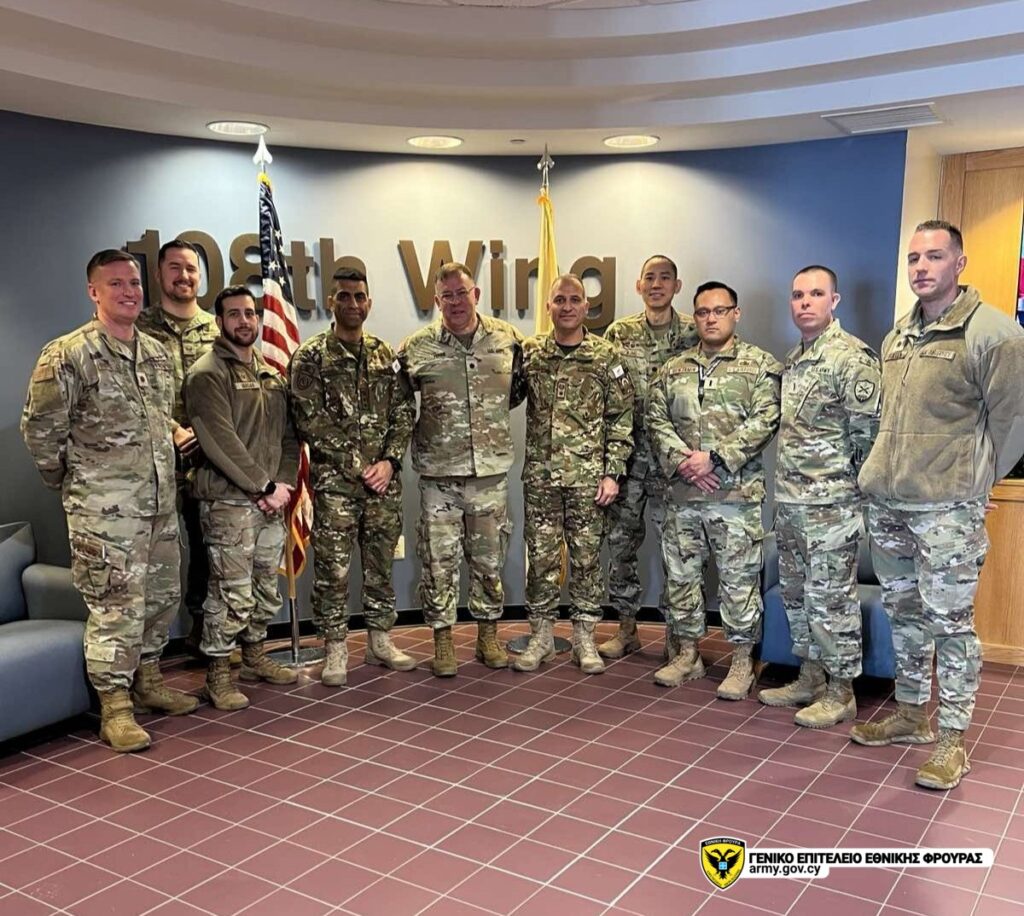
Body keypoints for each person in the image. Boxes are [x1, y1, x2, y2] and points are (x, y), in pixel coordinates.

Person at [852, 220, 1024, 790]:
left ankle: (952, 739)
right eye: (914, 258)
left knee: (949, 625)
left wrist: (980, 482)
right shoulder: (898, 337)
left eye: (934, 256)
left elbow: (1014, 422)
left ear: (959, 263)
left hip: (947, 510)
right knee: (904, 615)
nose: (921, 267)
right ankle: (910, 715)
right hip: (890, 504)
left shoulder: (993, 334)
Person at [21, 249, 197, 753]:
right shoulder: (68, 354)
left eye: (134, 283)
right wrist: (78, 484)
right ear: (93, 291)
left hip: (159, 505)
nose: (129, 292)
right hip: (104, 513)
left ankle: (149, 681)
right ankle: (115, 707)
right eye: (115, 283)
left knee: (161, 599)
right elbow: (40, 432)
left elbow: (156, 416)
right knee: (116, 608)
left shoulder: (156, 352)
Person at [758, 266, 880, 727]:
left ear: (835, 300)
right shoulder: (794, 360)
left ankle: (841, 691)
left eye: (815, 294)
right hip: (791, 505)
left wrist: (859, 505)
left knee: (832, 600)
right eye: (797, 295)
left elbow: (870, 441)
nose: (805, 302)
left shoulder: (851, 359)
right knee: (797, 597)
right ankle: (810, 677)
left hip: (832, 508)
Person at [646, 281, 781, 698]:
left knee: (739, 582)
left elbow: (766, 419)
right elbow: (655, 418)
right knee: (682, 579)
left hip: (734, 498)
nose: (711, 319)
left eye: (720, 311)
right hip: (683, 496)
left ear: (735, 314)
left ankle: (741, 661)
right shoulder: (674, 368)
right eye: (703, 312)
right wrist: (684, 463)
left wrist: (715, 459)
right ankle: (688, 654)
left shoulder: (760, 365)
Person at [398, 261, 525, 676]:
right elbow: (399, 402)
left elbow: (517, 390)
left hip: (489, 474)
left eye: (462, 292)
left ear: (477, 294)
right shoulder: (416, 347)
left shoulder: (508, 341)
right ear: (437, 301)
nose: (456, 302)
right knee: (439, 562)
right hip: (439, 477)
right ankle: (443, 642)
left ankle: (487, 637)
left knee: (489, 561)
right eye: (447, 295)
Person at [290, 268, 416, 686]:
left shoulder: (385, 356)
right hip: (336, 488)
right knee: (333, 572)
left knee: (380, 567)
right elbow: (309, 419)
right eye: (344, 296)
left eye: (360, 296)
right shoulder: (311, 357)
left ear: (369, 303)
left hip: (383, 486)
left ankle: (380, 640)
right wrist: (360, 465)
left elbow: (403, 412)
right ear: (331, 302)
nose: (352, 304)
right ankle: (335, 648)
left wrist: (390, 462)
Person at [184, 285, 299, 709]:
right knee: (229, 593)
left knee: (265, 587)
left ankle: (253, 658)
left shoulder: (270, 374)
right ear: (219, 322)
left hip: (270, 503)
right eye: (234, 314)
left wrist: (282, 485)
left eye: (250, 313)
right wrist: (262, 486)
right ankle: (217, 676)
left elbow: (289, 437)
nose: (244, 321)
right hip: (228, 505)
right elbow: (219, 441)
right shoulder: (206, 373)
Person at [514, 275, 634, 675]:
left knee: (586, 561)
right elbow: (505, 396)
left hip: (588, 481)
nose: (567, 307)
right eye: (559, 300)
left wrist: (613, 472)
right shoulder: (531, 354)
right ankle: (542, 637)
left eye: (574, 299)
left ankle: (584, 638)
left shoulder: (606, 357)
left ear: (586, 307)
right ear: (548, 306)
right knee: (541, 561)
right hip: (541, 480)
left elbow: (621, 418)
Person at [599, 255, 699, 659]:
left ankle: (678, 635)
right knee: (620, 544)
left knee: (677, 549)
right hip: (628, 458)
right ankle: (626, 628)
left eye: (665, 278)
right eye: (650, 278)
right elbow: (607, 393)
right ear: (639, 286)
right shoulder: (619, 333)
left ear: (677, 286)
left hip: (673, 460)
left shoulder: (694, 332)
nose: (657, 285)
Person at [136, 239, 220, 658]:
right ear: (159, 274)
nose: (183, 276)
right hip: (155, 461)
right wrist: (172, 429)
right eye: (175, 268)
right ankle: (148, 653)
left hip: (210, 460)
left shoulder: (218, 329)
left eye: (191, 268)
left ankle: (204, 633)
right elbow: (132, 392)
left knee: (210, 547)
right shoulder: (138, 327)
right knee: (156, 552)